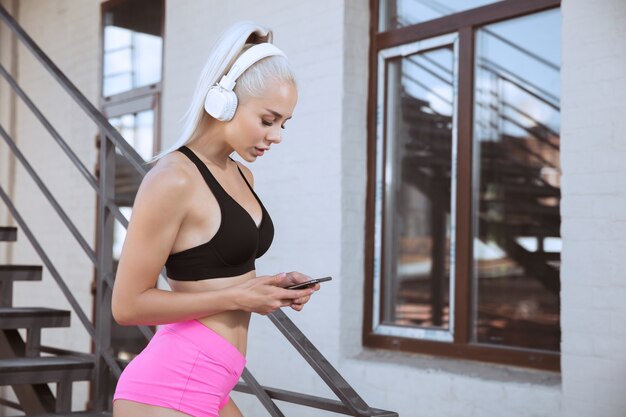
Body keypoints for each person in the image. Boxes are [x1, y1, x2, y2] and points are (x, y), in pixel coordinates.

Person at [111, 21, 319, 417]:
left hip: (214, 381)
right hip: (167, 387)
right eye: (267, 119)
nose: (276, 136)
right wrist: (240, 297)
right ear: (222, 101)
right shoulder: (172, 179)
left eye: (283, 124)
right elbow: (127, 305)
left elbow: (216, 272)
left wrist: (269, 286)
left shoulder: (242, 174)